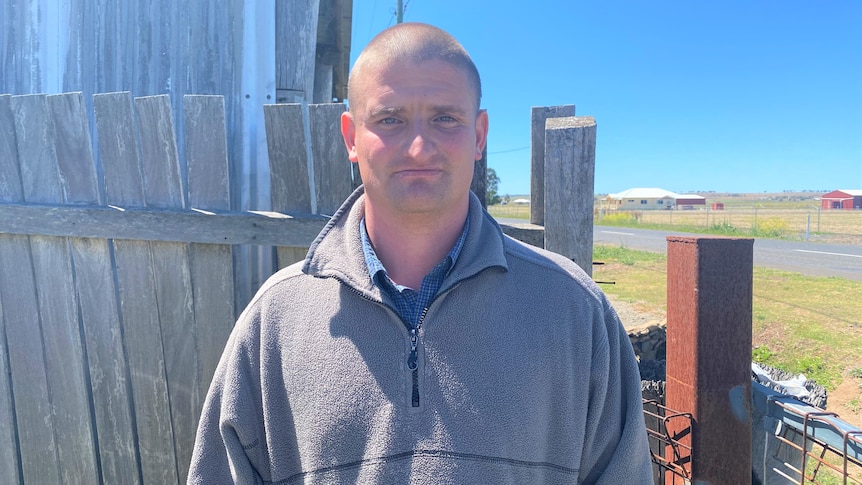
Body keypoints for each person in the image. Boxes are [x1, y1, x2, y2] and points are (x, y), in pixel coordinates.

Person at [188, 22, 652, 484]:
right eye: (389, 119)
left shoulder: (574, 311)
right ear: (351, 137)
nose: (417, 146)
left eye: (445, 118)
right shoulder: (274, 321)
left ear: (479, 134)